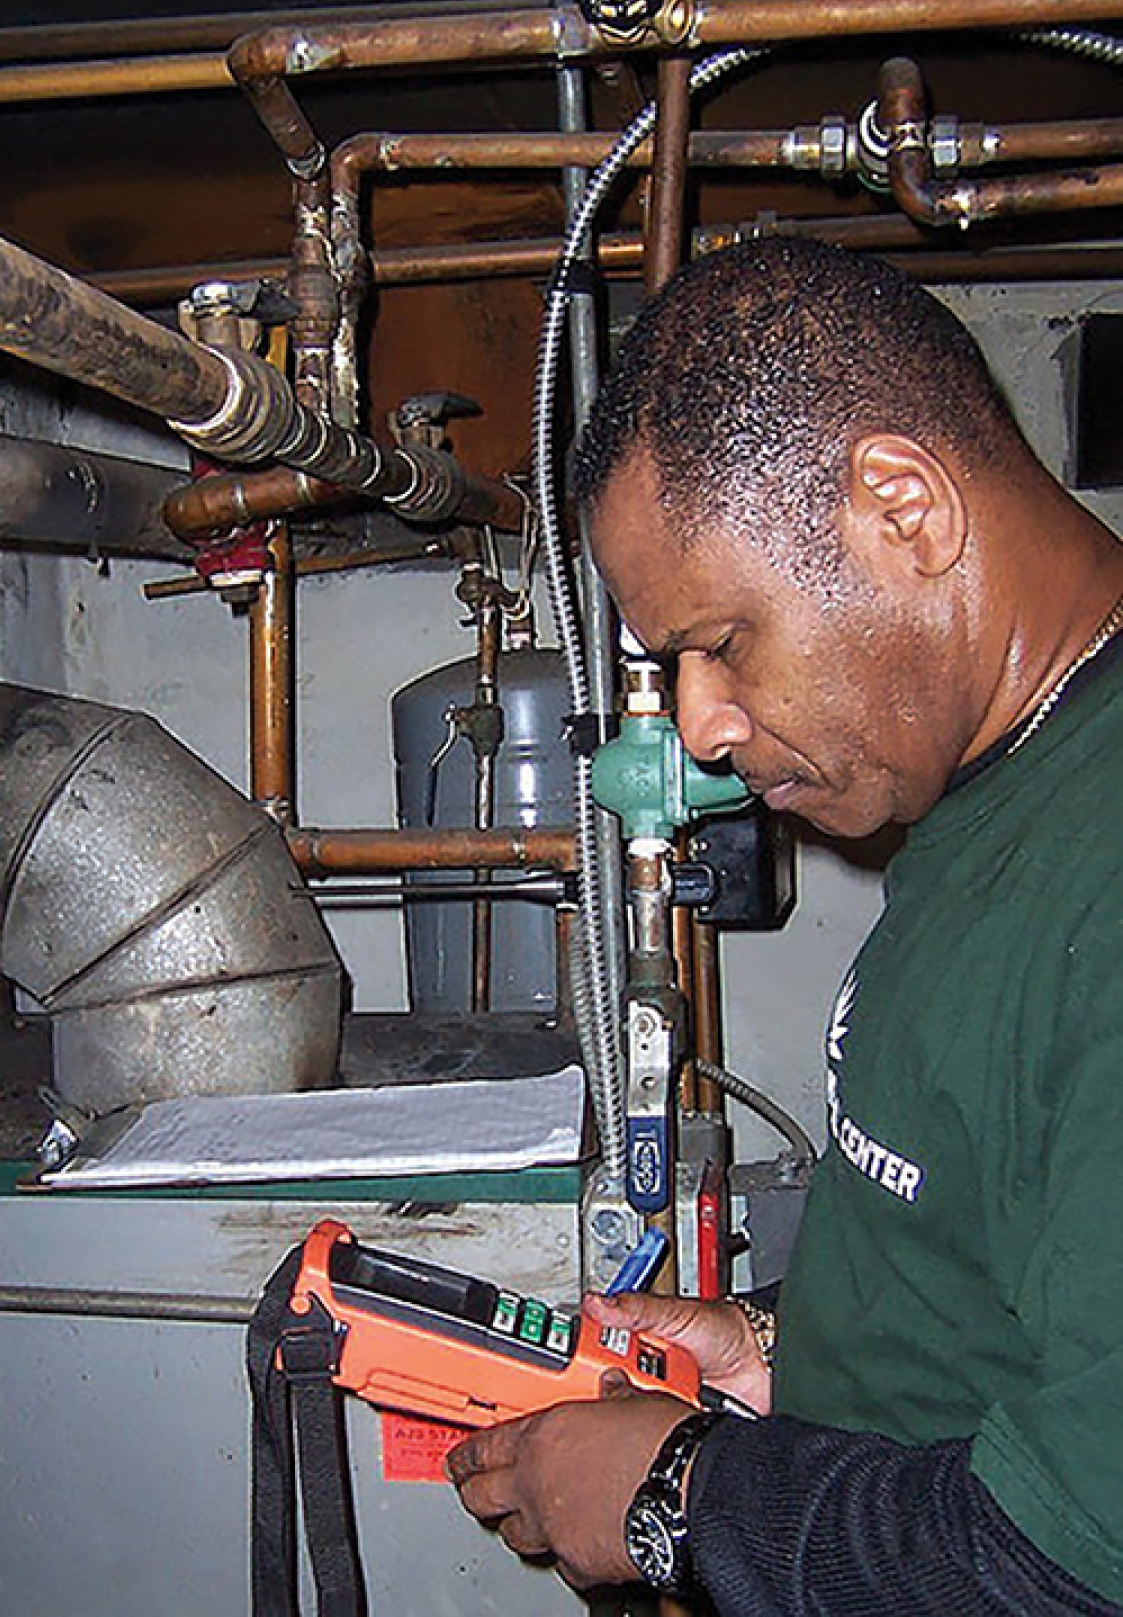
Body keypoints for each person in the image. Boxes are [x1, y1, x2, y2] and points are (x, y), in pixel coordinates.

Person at [447, 236, 1123, 1613]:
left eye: (721, 639)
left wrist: (680, 1492)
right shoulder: (988, 786)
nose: (697, 723)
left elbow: (1072, 1559)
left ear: (901, 506)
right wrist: (772, 1350)